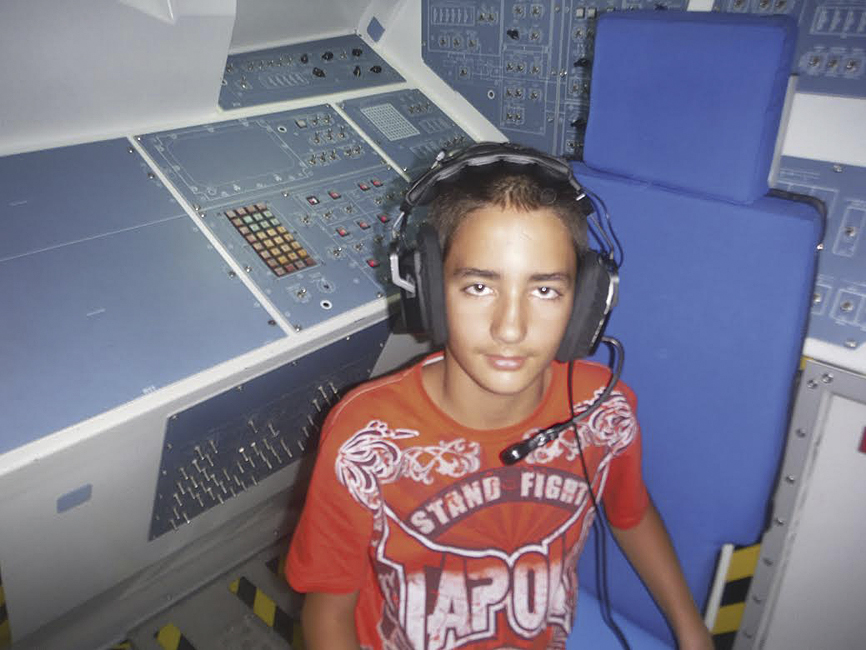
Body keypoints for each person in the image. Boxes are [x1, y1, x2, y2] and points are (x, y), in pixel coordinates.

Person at [286, 146, 713, 649]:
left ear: (586, 303)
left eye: (545, 290)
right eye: (479, 287)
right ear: (428, 291)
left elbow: (631, 513)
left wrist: (693, 633)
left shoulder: (601, 409)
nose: (510, 328)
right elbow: (329, 610)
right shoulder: (366, 437)